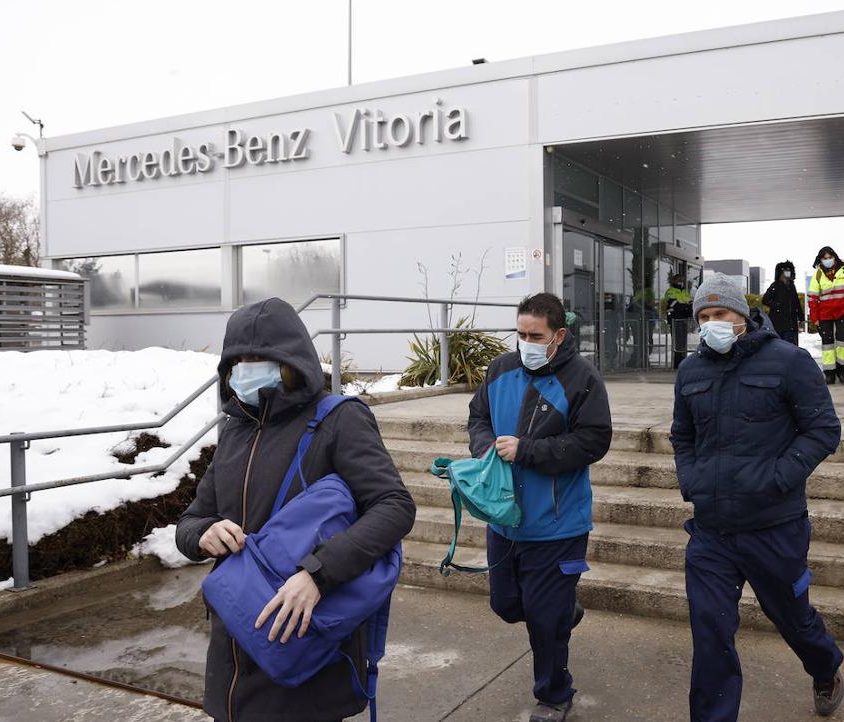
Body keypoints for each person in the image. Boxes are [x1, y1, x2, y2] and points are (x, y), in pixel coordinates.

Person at [176, 297, 416, 722]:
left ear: (291, 358)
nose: (246, 368)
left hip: (304, 645)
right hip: (233, 651)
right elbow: (192, 520)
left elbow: (394, 506)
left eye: (260, 357)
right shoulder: (234, 428)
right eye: (238, 359)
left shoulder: (338, 420)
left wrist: (319, 574)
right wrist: (203, 534)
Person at [670, 275, 844, 721]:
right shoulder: (690, 371)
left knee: (793, 617)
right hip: (711, 531)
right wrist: (691, 480)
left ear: (742, 317)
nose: (712, 324)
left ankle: (825, 667)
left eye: (721, 314)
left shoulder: (789, 361)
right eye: (704, 317)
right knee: (710, 631)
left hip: (774, 526)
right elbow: (682, 435)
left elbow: (823, 430)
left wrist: (777, 478)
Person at [467, 292, 613, 722]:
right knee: (507, 605)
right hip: (504, 519)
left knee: (544, 623)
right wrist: (483, 449)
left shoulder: (583, 378)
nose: (526, 342)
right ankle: (565, 609)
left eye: (536, 335)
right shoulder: (500, 369)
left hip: (557, 524)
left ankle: (554, 695)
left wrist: (527, 450)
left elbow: (594, 441)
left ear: (559, 335)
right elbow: (478, 418)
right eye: (520, 333)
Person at [807, 247, 844, 385]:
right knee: (827, 344)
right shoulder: (817, 275)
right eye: (825, 258)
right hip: (825, 314)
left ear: (835, 257)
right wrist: (815, 318)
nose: (828, 260)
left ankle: (841, 370)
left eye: (830, 257)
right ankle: (829, 373)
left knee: (843, 342)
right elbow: (812, 298)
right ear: (820, 260)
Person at [761, 260, 805, 346]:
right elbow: (765, 300)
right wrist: (776, 305)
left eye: (789, 270)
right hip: (778, 323)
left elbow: (796, 302)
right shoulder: (775, 285)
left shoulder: (792, 286)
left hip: (791, 324)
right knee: (780, 346)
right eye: (785, 270)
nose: (787, 272)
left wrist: (801, 317)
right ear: (781, 272)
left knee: (792, 347)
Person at [664, 272, 694, 369]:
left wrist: (685, 306)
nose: (681, 282)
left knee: (683, 342)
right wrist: (684, 305)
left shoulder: (684, 291)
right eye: (679, 280)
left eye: (682, 280)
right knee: (677, 342)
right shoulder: (671, 291)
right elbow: (673, 304)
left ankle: (682, 362)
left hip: (683, 319)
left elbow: (690, 304)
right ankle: (677, 364)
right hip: (675, 319)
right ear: (674, 281)